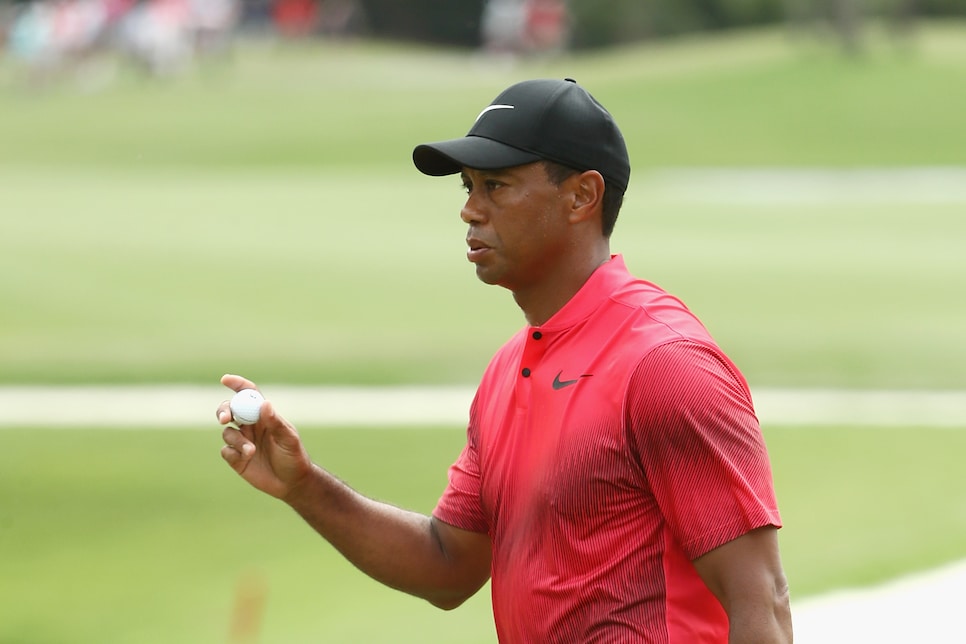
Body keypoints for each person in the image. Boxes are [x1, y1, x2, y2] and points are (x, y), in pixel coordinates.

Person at [217, 78, 793, 642]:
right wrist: (306, 487)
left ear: (581, 196)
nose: (470, 210)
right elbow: (448, 565)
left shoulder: (663, 363)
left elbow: (761, 603)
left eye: (496, 186)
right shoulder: (509, 369)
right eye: (466, 187)